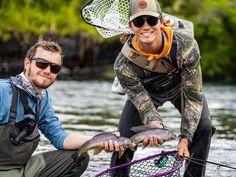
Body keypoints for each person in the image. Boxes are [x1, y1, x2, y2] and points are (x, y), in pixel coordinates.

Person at [110, 0, 214, 176]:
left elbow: (193, 95)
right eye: (138, 22)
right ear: (131, 26)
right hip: (146, 93)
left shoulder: (186, 46)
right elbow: (142, 102)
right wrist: (154, 126)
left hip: (181, 86)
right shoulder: (123, 64)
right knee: (124, 139)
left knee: (203, 127)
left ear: (160, 21)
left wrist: (185, 138)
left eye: (150, 20)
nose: (145, 27)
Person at [0, 40, 124, 177]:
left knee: (79, 157)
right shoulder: (3, 91)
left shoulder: (42, 98)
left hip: (22, 170)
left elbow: (59, 137)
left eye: (54, 68)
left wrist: (97, 140)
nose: (47, 71)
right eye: (41, 63)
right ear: (27, 63)